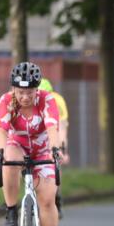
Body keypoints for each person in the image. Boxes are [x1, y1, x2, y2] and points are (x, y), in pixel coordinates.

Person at [0, 62, 61, 226]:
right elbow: (2, 133)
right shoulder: (6, 102)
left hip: (42, 150)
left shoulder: (47, 101)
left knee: (48, 200)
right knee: (9, 158)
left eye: (29, 92)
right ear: (14, 89)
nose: (24, 97)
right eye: (20, 92)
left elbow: (52, 129)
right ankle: (11, 209)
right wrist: (0, 153)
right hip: (18, 145)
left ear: (36, 89)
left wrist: (56, 150)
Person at [39, 78, 70, 218]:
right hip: (35, 134)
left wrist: (62, 150)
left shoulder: (57, 101)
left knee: (55, 162)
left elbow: (62, 127)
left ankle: (57, 197)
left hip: (52, 133)